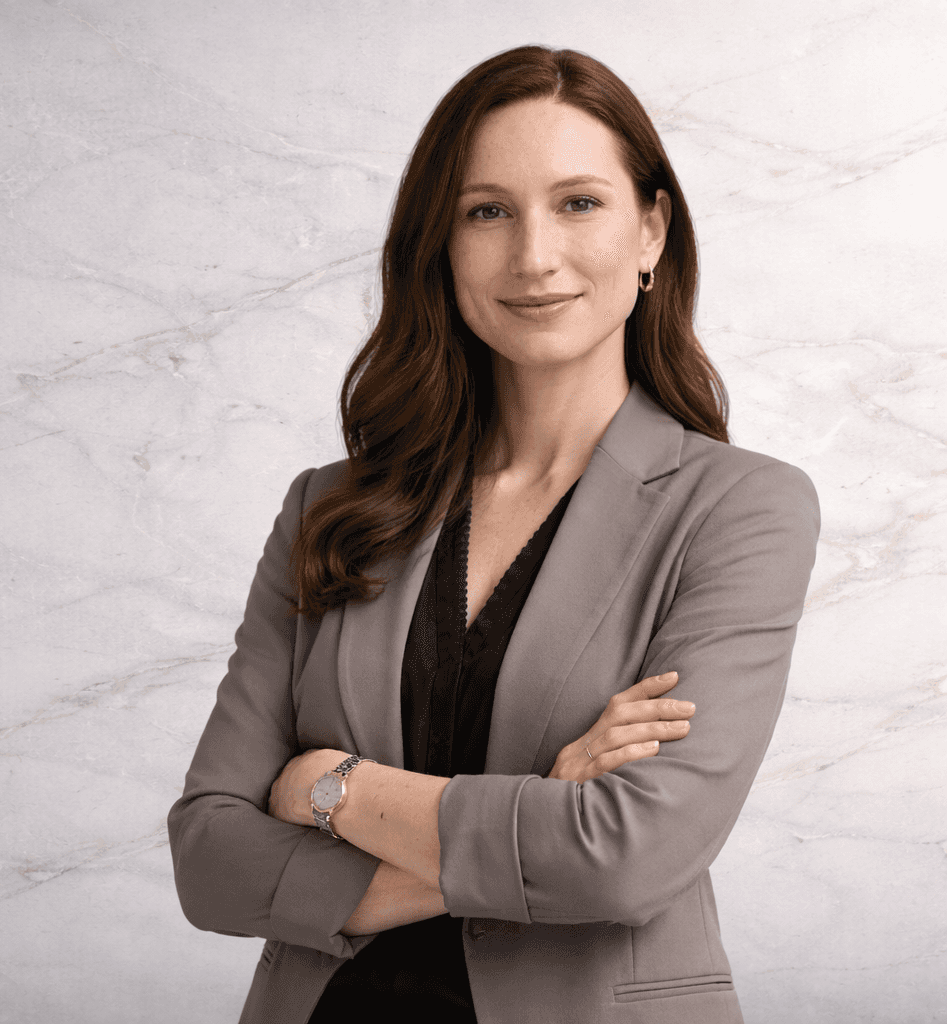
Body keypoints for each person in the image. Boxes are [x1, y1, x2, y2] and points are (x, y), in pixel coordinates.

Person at [166, 45, 821, 1024]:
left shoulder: (742, 508)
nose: (533, 255)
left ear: (651, 230)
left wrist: (329, 786)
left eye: (579, 203)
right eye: (488, 211)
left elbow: (625, 858)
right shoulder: (328, 507)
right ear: (442, 243)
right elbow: (210, 859)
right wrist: (537, 808)